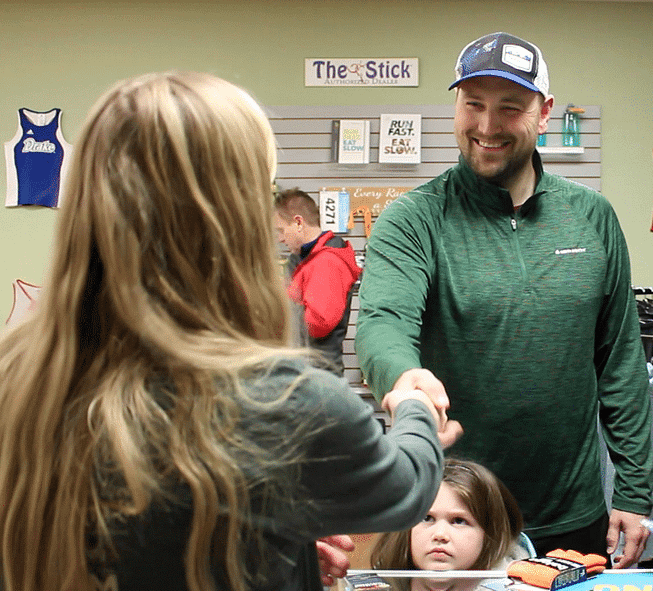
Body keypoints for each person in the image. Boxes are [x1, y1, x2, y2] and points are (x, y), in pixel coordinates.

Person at [0, 71, 454, 591]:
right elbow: (407, 486)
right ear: (232, 216)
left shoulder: (18, 381)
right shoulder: (284, 403)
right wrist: (413, 403)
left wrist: (275, 534)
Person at [355, 32, 652, 567]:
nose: (487, 127)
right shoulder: (414, 219)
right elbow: (382, 322)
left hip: (573, 516)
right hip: (449, 518)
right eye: (474, 105)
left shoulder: (593, 217)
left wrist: (633, 488)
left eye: (510, 108)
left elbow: (621, 362)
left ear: (544, 114)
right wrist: (403, 377)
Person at [368, 458, 528, 591]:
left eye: (459, 521)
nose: (440, 535)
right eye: (427, 518)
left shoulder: (517, 585)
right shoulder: (377, 583)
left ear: (490, 533)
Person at [274, 187, 361, 375]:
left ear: (298, 222)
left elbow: (318, 324)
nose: (280, 239)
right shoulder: (303, 259)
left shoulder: (327, 262)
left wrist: (279, 307)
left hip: (319, 376)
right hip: (306, 372)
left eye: (281, 230)